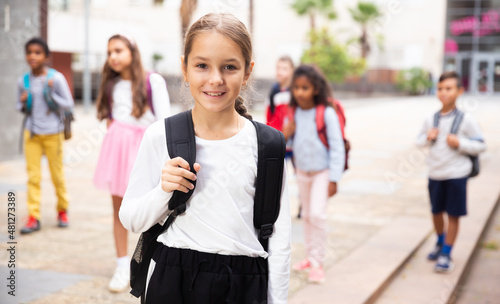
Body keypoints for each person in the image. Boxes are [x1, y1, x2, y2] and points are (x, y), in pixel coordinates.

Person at [119, 13, 291, 304]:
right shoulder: (160, 135)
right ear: (184, 68)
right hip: (172, 279)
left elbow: (280, 239)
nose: (215, 79)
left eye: (229, 67)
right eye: (201, 65)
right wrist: (164, 190)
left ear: (248, 71)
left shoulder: (268, 146)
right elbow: (131, 219)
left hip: (245, 283)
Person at [93, 34, 171, 293]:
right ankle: (121, 265)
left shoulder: (152, 81)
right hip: (117, 151)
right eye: (109, 52)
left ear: (132, 51)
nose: (112, 56)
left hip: (144, 153)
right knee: (118, 208)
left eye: (118, 50)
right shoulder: (111, 85)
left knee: (154, 208)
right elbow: (111, 120)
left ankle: (151, 260)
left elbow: (163, 123)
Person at [416, 71, 486, 273]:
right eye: (440, 89)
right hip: (435, 173)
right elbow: (418, 140)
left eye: (449, 88)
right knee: (436, 211)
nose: (444, 93)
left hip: (457, 175)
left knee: (453, 214)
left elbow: (481, 145)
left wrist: (460, 143)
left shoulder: (467, 120)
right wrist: (428, 138)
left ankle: (447, 252)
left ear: (459, 91)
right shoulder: (431, 118)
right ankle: (440, 242)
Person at [282, 64, 345, 284]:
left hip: (322, 172)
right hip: (302, 172)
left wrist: (334, 178)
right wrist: (285, 134)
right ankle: (310, 257)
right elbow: (286, 144)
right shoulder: (293, 113)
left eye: (305, 88)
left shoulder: (326, 113)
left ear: (316, 89)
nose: (299, 92)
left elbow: (337, 147)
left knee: (318, 215)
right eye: (296, 88)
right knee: (307, 215)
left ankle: (318, 263)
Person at [17, 37, 74, 234]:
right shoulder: (23, 81)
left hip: (53, 134)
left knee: (57, 175)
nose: (33, 56)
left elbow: (69, 104)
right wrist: (24, 101)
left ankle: (62, 210)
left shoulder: (55, 78)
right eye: (29, 52)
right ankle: (33, 216)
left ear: (46, 57)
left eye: (38, 52)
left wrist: (50, 92)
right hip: (32, 133)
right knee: (33, 177)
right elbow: (19, 107)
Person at [266, 55, 294, 132]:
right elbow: (269, 117)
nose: (280, 72)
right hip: (275, 135)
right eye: (278, 68)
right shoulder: (274, 90)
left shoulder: (296, 91)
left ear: (292, 70)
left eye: (284, 69)